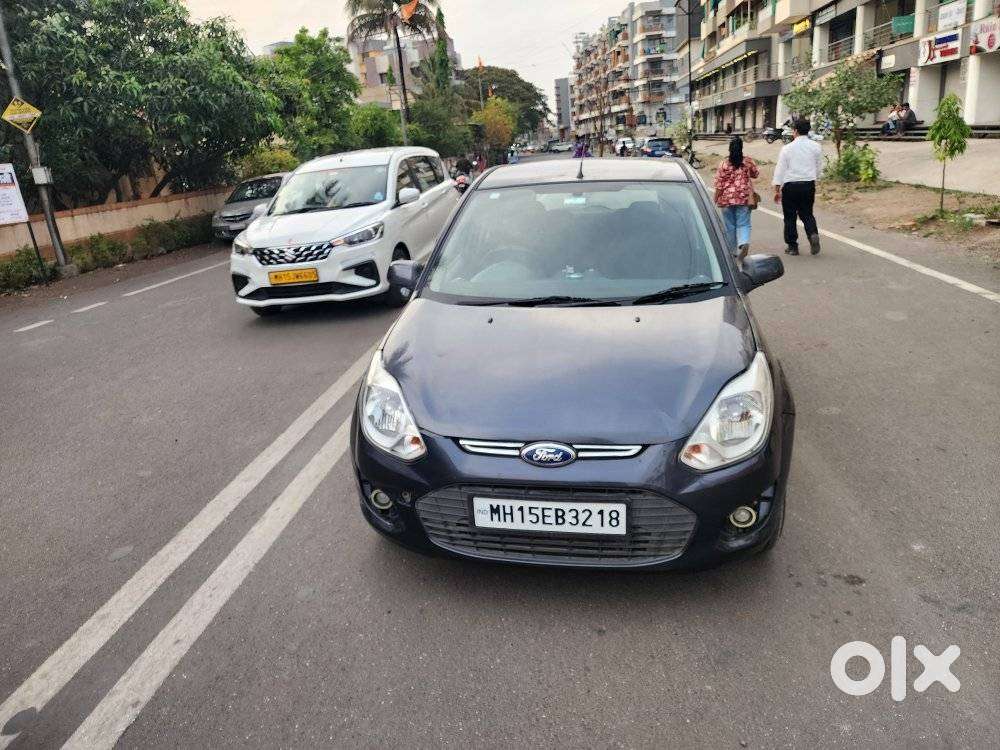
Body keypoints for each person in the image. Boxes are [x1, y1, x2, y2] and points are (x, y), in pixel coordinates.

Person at [773, 117, 823, 256]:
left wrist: (777, 189)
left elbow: (780, 169)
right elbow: (819, 167)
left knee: (790, 216)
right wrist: (815, 179)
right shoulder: (816, 147)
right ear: (808, 131)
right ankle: (812, 234)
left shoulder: (787, 148)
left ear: (795, 131)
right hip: (808, 184)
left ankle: (792, 246)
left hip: (790, 186)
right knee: (807, 213)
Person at [713, 136, 759, 259]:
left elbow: (719, 184)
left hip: (726, 199)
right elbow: (755, 174)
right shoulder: (748, 161)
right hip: (743, 198)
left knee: (730, 226)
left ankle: (732, 252)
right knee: (743, 224)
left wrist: (715, 198)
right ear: (741, 148)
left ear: (729, 149)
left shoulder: (723, 163)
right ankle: (743, 243)